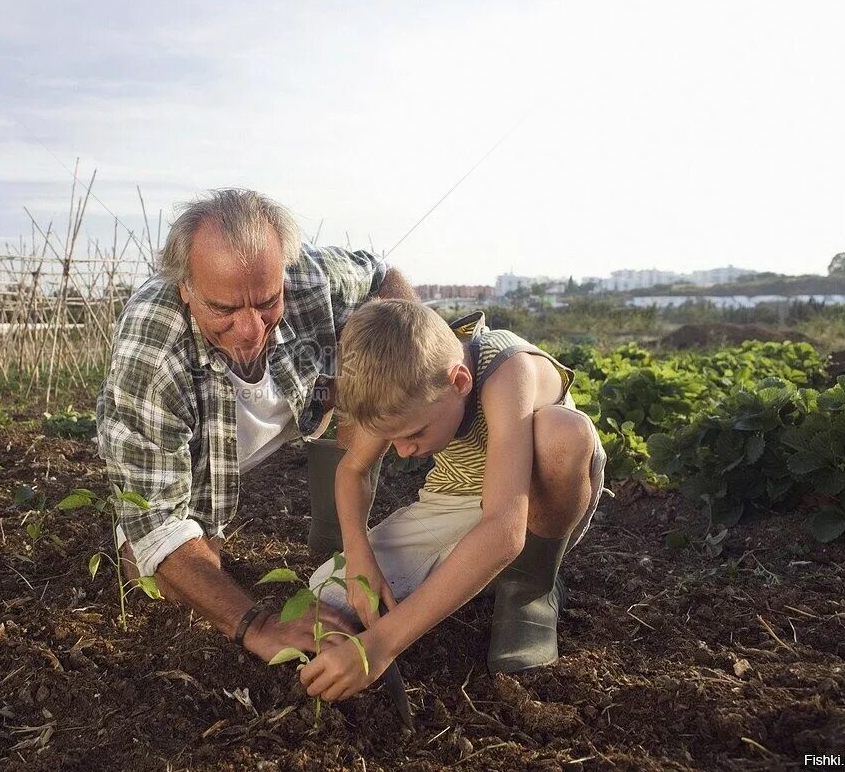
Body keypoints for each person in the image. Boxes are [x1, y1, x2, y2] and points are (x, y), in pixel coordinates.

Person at [96, 189, 416, 661]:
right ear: (185, 288)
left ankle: (337, 536)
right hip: (199, 460)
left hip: (304, 406)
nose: (250, 329)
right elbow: (157, 526)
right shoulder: (152, 356)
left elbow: (382, 275)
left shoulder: (309, 276)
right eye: (223, 309)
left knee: (380, 359)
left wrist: (397, 365)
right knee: (153, 579)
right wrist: (257, 624)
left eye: (267, 302)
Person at [299, 300, 605, 702]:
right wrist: (358, 559)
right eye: (393, 439)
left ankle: (531, 588)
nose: (404, 452)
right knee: (329, 592)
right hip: (455, 500)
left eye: (413, 434)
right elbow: (352, 470)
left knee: (561, 433)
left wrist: (379, 646)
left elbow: (502, 528)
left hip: (530, 500)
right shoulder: (399, 383)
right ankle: (483, 577)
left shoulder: (506, 371)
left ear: (459, 382)